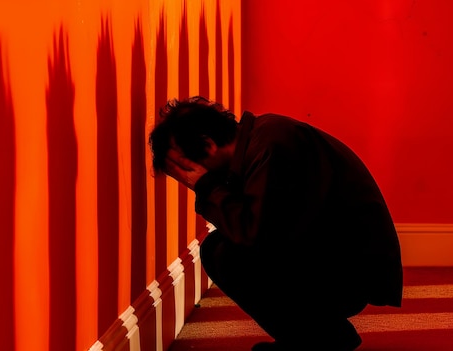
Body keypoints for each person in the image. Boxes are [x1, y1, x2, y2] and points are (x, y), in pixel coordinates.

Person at [148, 96, 403, 351]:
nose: (189, 179)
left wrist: (205, 186)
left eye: (185, 169)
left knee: (225, 255)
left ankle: (324, 339)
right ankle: (315, 336)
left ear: (208, 145)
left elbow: (254, 236)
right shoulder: (264, 138)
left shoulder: (273, 146)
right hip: (341, 259)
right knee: (221, 247)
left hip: (350, 274)